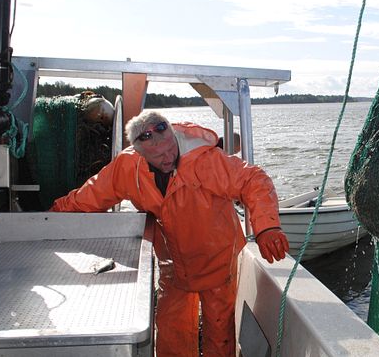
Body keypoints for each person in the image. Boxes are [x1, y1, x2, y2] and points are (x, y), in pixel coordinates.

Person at [50, 111, 289, 357]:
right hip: (172, 262)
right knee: (169, 329)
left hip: (216, 257)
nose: (168, 158)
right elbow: (90, 196)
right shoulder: (127, 167)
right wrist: (51, 216)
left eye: (170, 149)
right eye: (158, 155)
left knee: (219, 332)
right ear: (140, 155)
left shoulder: (205, 161)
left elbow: (254, 179)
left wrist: (267, 226)